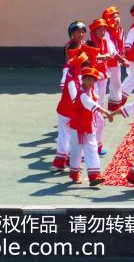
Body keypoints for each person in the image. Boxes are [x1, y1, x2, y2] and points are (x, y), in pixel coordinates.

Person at [67, 67, 114, 185]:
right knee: (77, 152)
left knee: (92, 149)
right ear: (83, 80)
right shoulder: (82, 94)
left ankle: (94, 176)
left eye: (93, 80)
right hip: (79, 127)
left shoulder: (91, 90)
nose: (91, 82)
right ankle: (74, 174)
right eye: (88, 79)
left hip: (88, 125)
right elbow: (92, 105)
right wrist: (107, 112)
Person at [87, 18, 120, 155]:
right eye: (100, 29)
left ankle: (97, 145)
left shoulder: (106, 41)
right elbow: (89, 58)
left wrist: (119, 58)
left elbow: (113, 52)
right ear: (94, 31)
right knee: (94, 104)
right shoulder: (89, 44)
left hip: (103, 77)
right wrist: (102, 56)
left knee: (100, 101)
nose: (103, 31)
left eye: (104, 29)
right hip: (92, 78)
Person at [53, 42, 88, 171]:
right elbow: (75, 98)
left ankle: (61, 161)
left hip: (64, 109)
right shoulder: (73, 79)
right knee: (70, 136)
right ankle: (69, 161)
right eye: (83, 64)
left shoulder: (74, 75)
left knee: (65, 135)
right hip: (68, 111)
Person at [101, 7, 126, 111]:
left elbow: (122, 46)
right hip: (105, 62)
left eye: (117, 16)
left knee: (116, 83)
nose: (117, 19)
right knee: (102, 85)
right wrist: (122, 59)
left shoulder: (120, 30)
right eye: (114, 17)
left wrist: (124, 57)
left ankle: (114, 105)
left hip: (116, 62)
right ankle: (99, 108)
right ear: (108, 19)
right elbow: (111, 49)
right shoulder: (105, 32)